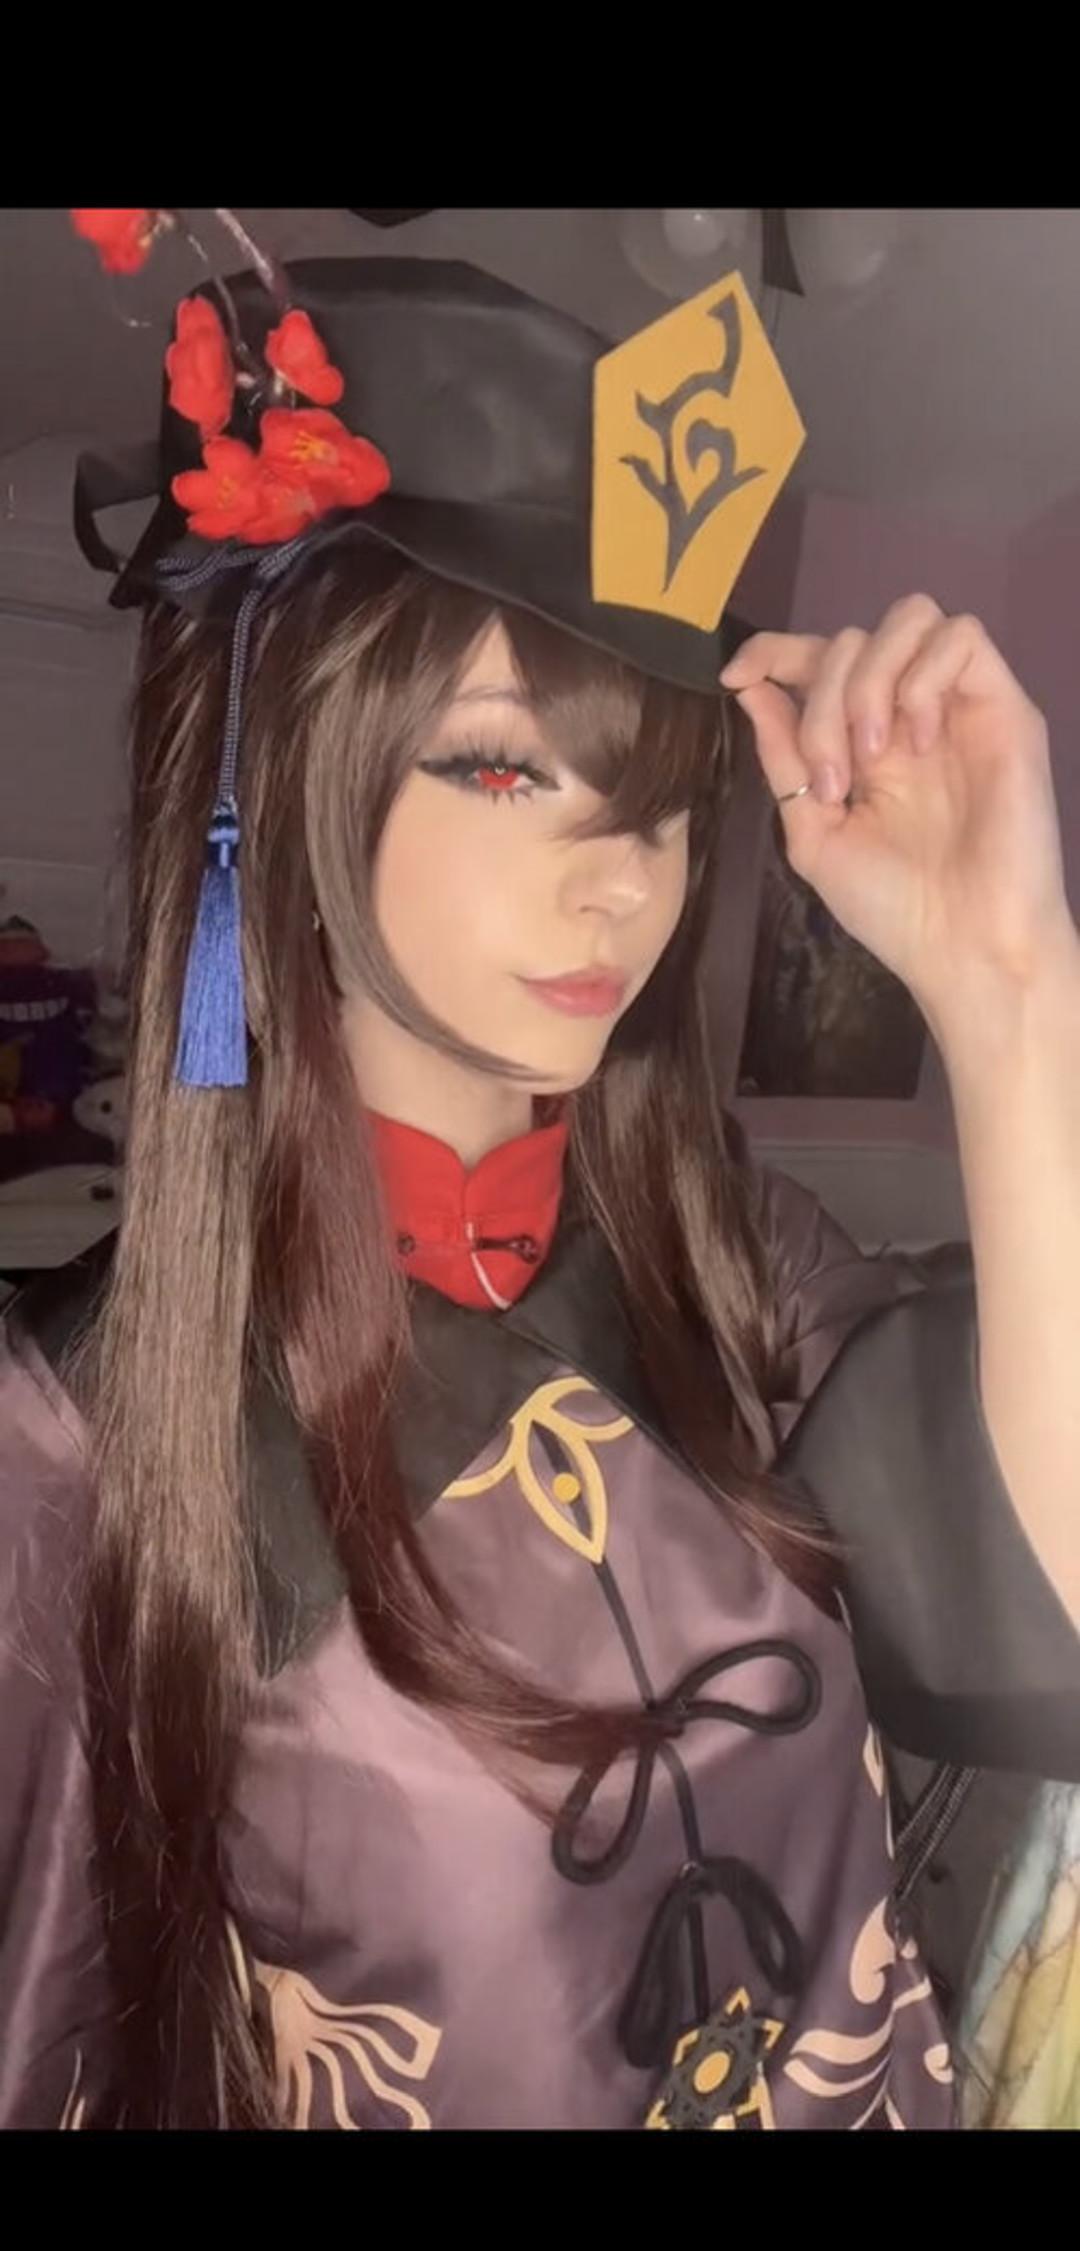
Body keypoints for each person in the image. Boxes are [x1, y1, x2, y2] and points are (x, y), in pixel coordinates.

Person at [1, 226, 1078, 2132]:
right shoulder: (77, 1440)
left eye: (662, 802)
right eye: (506, 772)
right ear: (288, 767)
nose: (623, 884)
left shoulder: (733, 1262)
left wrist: (1010, 987)